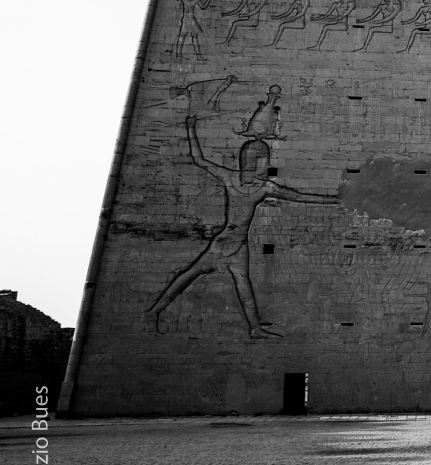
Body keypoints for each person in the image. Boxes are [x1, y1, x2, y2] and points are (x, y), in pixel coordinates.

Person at [145, 114, 339, 337]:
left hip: (239, 244)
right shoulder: (233, 179)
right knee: (191, 275)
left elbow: (299, 196)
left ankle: (255, 329)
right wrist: (190, 129)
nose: (267, 165)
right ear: (254, 162)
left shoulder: (263, 187)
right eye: (265, 160)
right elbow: (199, 160)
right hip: (224, 243)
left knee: (242, 283)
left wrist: (333, 200)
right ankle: (154, 312)